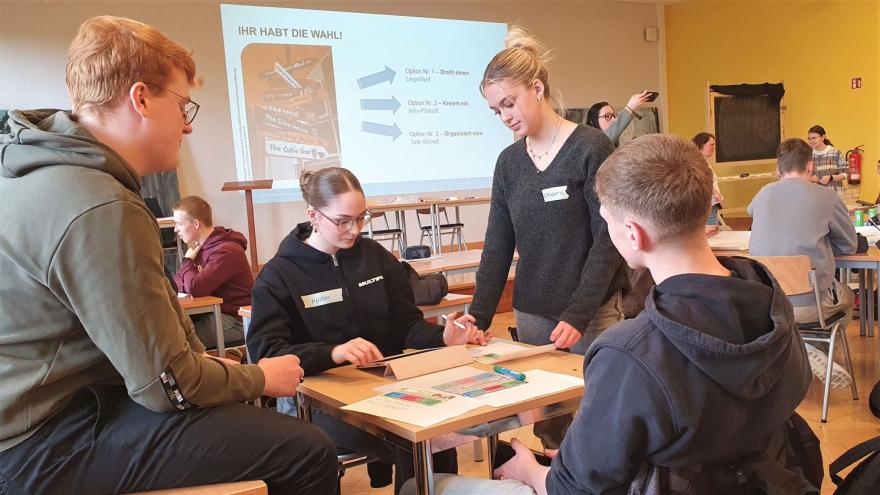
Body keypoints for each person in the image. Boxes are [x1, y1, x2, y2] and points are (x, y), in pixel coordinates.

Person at [0, 16, 337, 493]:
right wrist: (259, 378)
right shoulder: (101, 205)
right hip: (41, 444)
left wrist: (219, 373)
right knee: (307, 450)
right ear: (140, 99)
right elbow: (167, 385)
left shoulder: (38, 172)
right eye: (182, 106)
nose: (188, 125)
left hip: (40, 418)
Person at [406, 134, 814, 495]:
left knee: (419, 487)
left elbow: (571, 489)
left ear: (633, 234)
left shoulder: (629, 352)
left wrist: (529, 470)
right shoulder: (772, 306)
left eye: (607, 224)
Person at [246, 166, 490, 494]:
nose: (354, 230)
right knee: (412, 443)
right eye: (343, 221)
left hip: (388, 388)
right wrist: (333, 353)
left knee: (437, 437)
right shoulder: (279, 275)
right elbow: (267, 353)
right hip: (321, 403)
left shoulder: (374, 256)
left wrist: (443, 337)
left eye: (361, 218)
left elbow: (406, 326)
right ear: (313, 215)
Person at [459, 27, 628, 450]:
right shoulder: (509, 163)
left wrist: (578, 313)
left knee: (600, 426)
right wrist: (478, 317)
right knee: (551, 430)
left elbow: (607, 238)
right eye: (496, 110)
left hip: (590, 313)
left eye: (508, 103)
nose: (505, 117)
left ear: (537, 89)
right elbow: (497, 246)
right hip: (534, 314)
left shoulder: (590, 147)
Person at [748, 137, 857, 388]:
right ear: (810, 166)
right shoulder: (826, 197)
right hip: (810, 305)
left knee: (796, 311)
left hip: (768, 303)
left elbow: (751, 211)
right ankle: (816, 350)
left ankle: (802, 349)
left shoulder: (763, 194)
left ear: (778, 168)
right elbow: (849, 246)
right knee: (848, 298)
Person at [172, 195, 253, 349]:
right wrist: (190, 274)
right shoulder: (199, 248)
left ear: (196, 223)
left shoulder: (227, 251)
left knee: (176, 340)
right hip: (213, 313)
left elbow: (196, 288)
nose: (176, 229)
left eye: (179, 224)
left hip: (236, 320)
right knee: (168, 329)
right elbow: (177, 283)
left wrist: (187, 261)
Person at [586, 90, 653, 146]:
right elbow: (604, 141)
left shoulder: (616, 143)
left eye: (613, 116)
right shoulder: (589, 143)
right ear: (592, 121)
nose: (613, 119)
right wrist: (629, 108)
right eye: (607, 116)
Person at [693, 132, 725, 234]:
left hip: (710, 203)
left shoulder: (703, 162)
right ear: (701, 145)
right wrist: (715, 192)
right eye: (711, 144)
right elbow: (702, 180)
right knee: (710, 232)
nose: (714, 147)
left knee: (712, 230)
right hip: (707, 204)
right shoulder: (697, 163)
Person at [807, 124, 848, 194]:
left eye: (814, 138)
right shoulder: (808, 154)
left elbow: (845, 174)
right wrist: (810, 178)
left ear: (823, 137)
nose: (811, 141)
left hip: (833, 195)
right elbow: (802, 175)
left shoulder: (835, 152)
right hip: (814, 195)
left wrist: (831, 177)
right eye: (809, 139)